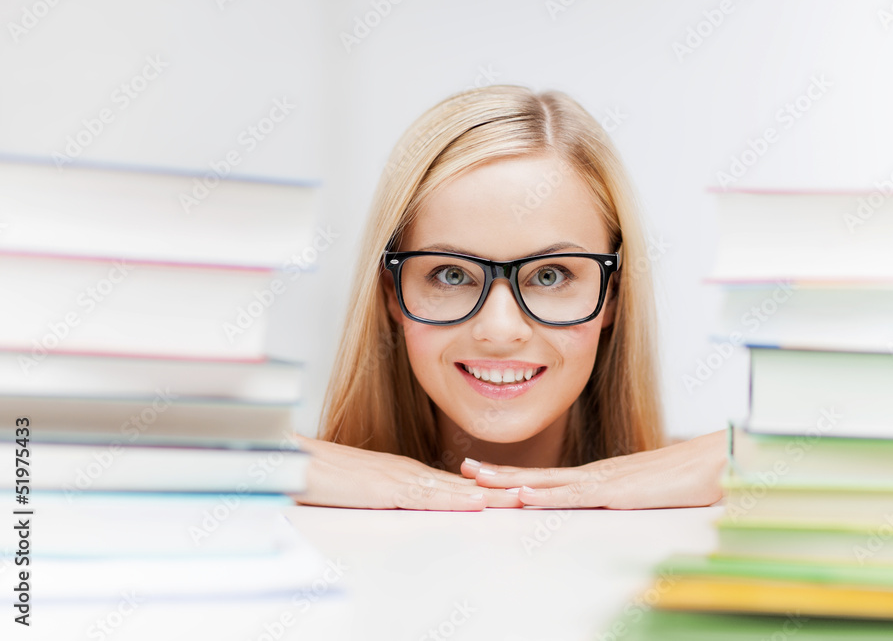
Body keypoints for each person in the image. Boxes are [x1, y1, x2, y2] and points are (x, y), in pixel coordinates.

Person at [294, 85, 726, 510]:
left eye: (550, 275)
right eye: (452, 274)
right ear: (392, 293)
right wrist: (266, 461)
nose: (500, 330)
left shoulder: (721, 483)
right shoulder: (289, 486)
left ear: (612, 294)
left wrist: (743, 455)